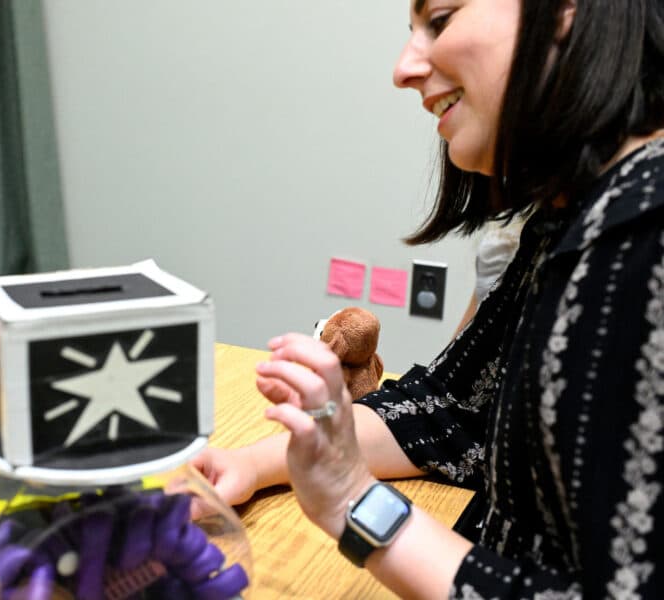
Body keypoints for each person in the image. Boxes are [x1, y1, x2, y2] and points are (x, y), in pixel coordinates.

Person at [193, 1, 664, 597]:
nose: (404, 67)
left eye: (439, 21)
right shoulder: (574, 221)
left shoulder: (641, 242)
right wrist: (259, 464)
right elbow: (456, 407)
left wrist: (353, 502)